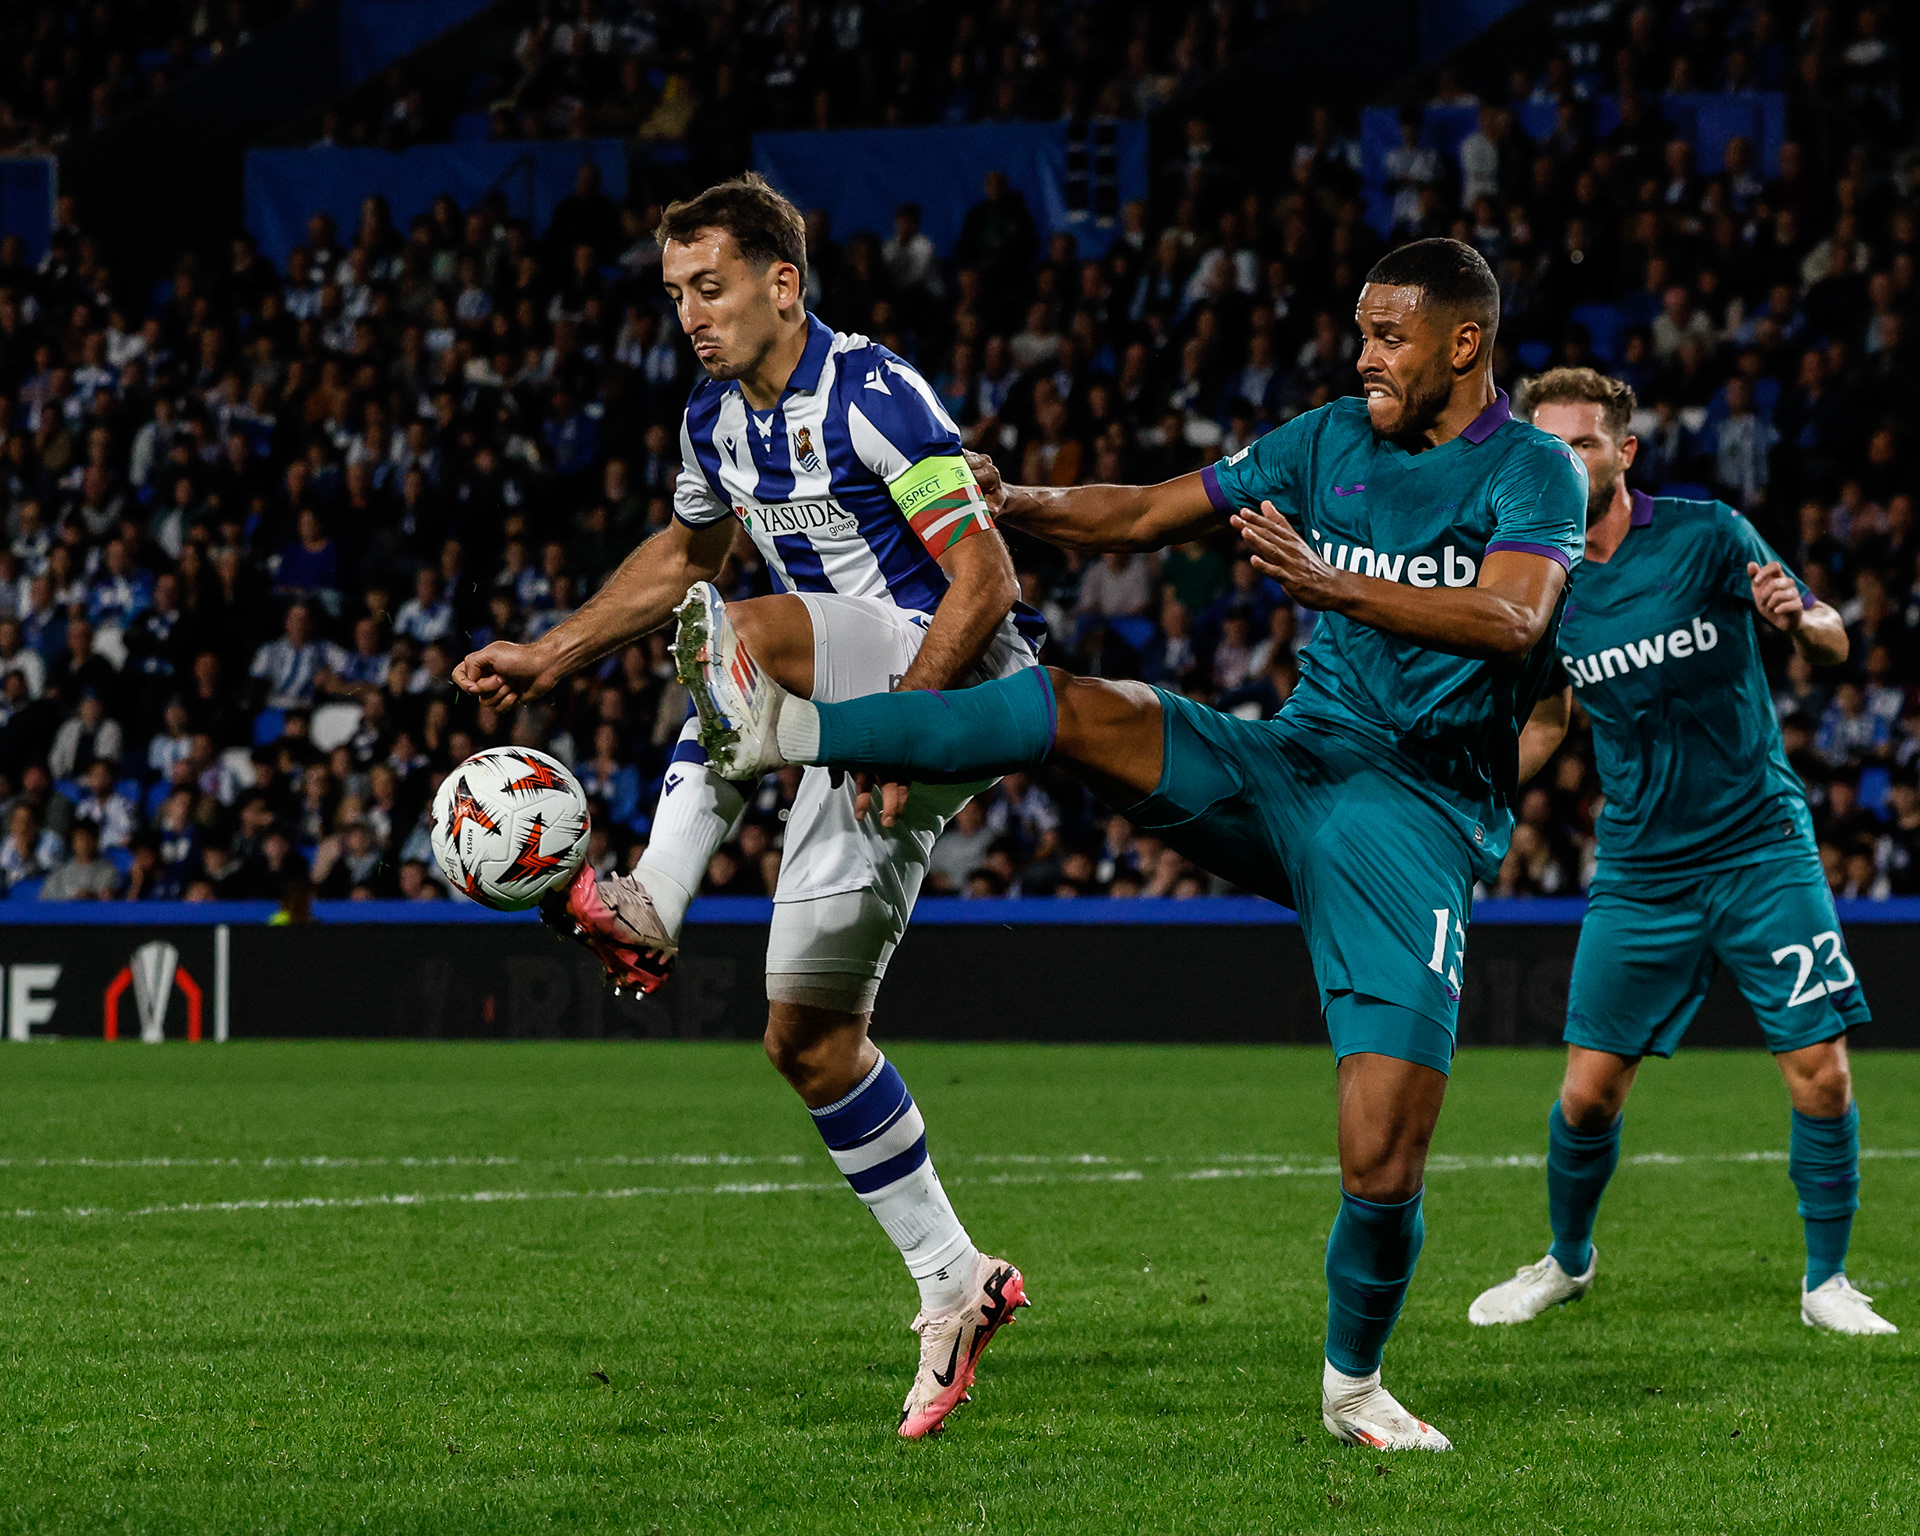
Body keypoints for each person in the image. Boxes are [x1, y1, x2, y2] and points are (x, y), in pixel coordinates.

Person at [675, 239, 1586, 1450]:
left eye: (1390, 337)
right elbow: (1153, 511)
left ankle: (1353, 1386)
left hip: (1411, 818)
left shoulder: (1532, 469)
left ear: (1463, 344)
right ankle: (793, 729)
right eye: (1361, 332)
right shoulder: (1328, 438)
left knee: (1381, 1158)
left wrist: (1334, 587)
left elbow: (1513, 616)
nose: (1365, 357)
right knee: (1078, 707)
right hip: (1292, 765)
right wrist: (1014, 503)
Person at [452, 174, 1040, 1440]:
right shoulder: (713, 423)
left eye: (709, 287)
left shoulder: (873, 392)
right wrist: (549, 655)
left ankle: (654, 901)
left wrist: (909, 720)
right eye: (675, 294)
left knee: (738, 635)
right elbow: (684, 556)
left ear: (784, 283)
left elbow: (987, 576)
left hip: (956, 680)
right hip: (833, 709)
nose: (690, 315)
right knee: (808, 1040)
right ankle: (955, 1282)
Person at [1468, 368, 1892, 1336]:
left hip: (1759, 848)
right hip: (1641, 870)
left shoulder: (1709, 534)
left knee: (1821, 1071)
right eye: (1546, 445)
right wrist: (1478, 788)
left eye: (1582, 443)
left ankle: (1827, 1281)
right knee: (1587, 1095)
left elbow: (1830, 638)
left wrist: (1802, 622)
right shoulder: (1541, 580)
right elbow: (1548, 718)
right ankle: (1566, 1260)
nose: (1564, 460)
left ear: (1624, 452)